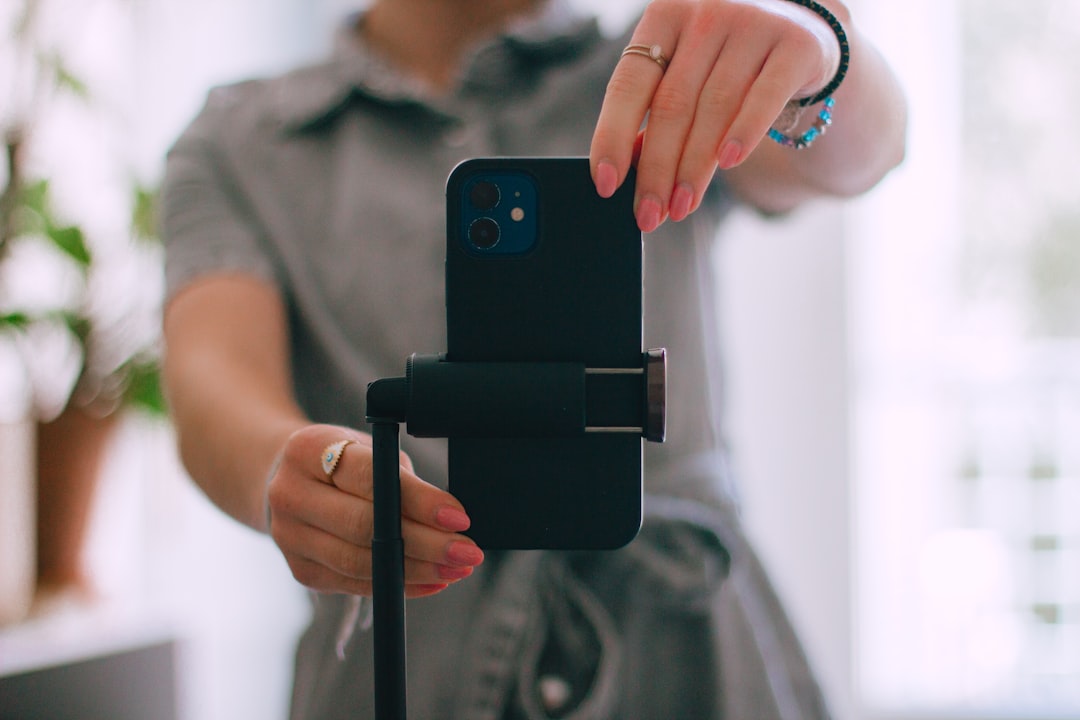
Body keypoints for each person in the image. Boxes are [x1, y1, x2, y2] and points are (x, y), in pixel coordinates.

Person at [161, 0, 906, 717]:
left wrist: (817, 44)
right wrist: (281, 468)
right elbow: (214, 382)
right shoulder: (243, 141)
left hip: (687, 652)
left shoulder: (674, 69)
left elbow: (869, 151)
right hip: (406, 664)